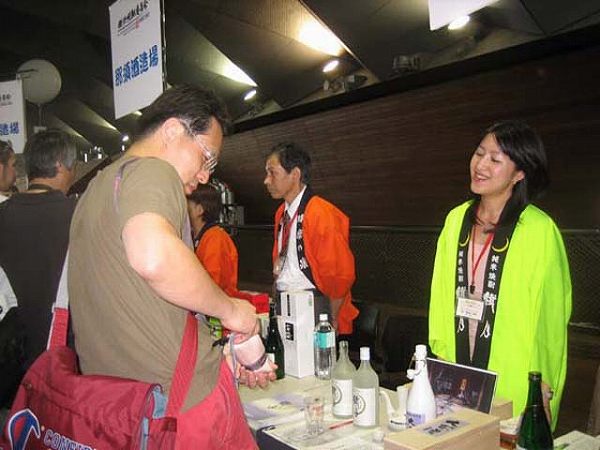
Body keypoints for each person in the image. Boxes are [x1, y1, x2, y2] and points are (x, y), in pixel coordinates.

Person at [68, 85, 272, 449]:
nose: (205, 176)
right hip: (181, 407)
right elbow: (153, 257)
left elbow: (139, 308)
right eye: (207, 158)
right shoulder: (154, 171)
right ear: (173, 130)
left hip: (123, 411)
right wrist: (232, 311)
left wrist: (217, 353)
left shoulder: (95, 190)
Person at [428, 120, 571, 429]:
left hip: (513, 376)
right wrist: (439, 355)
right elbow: (439, 293)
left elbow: (549, 319)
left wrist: (542, 385)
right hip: (456, 370)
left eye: (495, 159)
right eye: (479, 153)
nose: (481, 165)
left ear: (520, 173)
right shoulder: (456, 220)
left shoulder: (539, 230)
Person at [0, 129, 77, 369]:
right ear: (60, 165)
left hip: (13, 351)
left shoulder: (3, 214)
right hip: (65, 351)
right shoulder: (78, 215)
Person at [264, 142, 358, 335]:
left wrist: (331, 318)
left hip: (314, 306)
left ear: (295, 174)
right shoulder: (281, 213)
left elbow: (340, 274)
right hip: (284, 301)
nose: (266, 180)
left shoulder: (321, 213)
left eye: (272, 173)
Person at [188, 184, 238, 296]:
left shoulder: (216, 238)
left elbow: (213, 281)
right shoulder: (194, 236)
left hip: (216, 302)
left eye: (187, 205)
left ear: (199, 210)